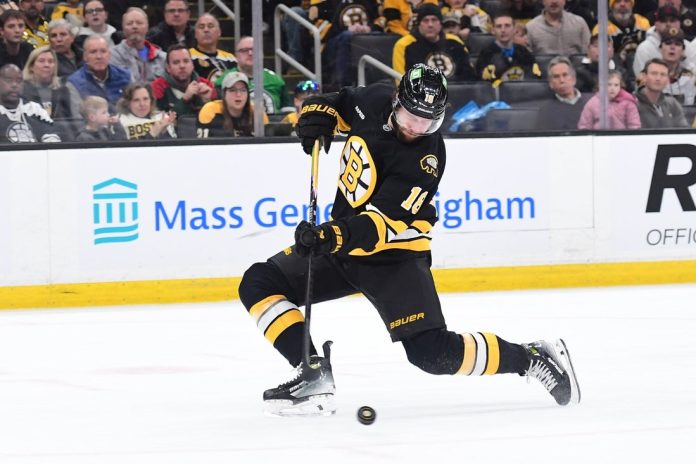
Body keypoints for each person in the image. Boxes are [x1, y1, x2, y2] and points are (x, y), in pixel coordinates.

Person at [237, 63, 581, 415]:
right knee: (259, 282)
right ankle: (312, 372)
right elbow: (337, 103)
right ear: (395, 101)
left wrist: (329, 235)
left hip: (393, 256)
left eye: (428, 122)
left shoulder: (425, 160)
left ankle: (531, 357)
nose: (417, 128)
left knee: (431, 354)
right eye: (411, 116)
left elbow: (378, 226)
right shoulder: (374, 99)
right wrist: (316, 113)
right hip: (342, 243)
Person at [392, 4, 476, 81]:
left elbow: (470, 77)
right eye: (425, 20)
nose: (430, 25)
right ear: (419, 24)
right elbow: (401, 81)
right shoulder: (404, 45)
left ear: (440, 23)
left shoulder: (454, 41)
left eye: (434, 20)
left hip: (458, 91)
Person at [216, 36, 291, 115]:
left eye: (255, 49)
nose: (250, 53)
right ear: (236, 55)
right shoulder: (223, 81)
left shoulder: (276, 80)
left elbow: (288, 113)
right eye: (244, 50)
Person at [66, 35, 132, 117]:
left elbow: (135, 107)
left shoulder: (125, 76)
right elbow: (78, 118)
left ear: (109, 55)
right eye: (93, 52)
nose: (99, 56)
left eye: (103, 51)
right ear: (85, 57)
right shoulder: (74, 83)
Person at [0, 63, 61, 142]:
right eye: (9, 80)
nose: (14, 85)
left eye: (19, 81)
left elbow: (52, 138)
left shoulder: (34, 109)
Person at [197, 71, 268, 138]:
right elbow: (202, 143)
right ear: (224, 94)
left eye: (243, 90)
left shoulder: (258, 113)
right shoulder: (210, 110)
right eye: (232, 90)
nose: (238, 94)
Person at [476, 12, 541, 82]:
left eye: (507, 26)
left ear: (514, 29)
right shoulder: (486, 53)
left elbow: (534, 78)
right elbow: (481, 81)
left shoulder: (524, 52)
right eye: (499, 26)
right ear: (493, 30)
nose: (503, 30)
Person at [151, 44, 215, 116]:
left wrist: (210, 100)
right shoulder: (158, 86)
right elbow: (158, 118)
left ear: (192, 65)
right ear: (168, 68)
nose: (182, 66)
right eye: (176, 62)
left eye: (186, 61)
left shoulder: (206, 84)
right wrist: (185, 99)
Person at [110, 7, 167, 83]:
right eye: (129, 23)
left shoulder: (162, 58)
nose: (134, 26)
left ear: (147, 27)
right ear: (123, 28)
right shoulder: (113, 55)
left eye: (139, 23)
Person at [592, 0, 649, 72]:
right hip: (614, 72)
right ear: (612, 6)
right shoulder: (601, 28)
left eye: (626, 1)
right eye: (618, 1)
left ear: (632, 5)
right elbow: (599, 57)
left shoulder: (643, 23)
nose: (622, 4)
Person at [536, 55, 591, 130]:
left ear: (574, 79)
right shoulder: (545, 111)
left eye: (565, 75)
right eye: (556, 76)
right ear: (551, 84)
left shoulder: (591, 101)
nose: (562, 80)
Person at [577, 69, 641, 129]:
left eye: (616, 85)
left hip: (622, 137)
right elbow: (584, 126)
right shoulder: (592, 103)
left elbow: (634, 125)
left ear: (620, 86)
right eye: (609, 84)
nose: (612, 88)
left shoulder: (628, 102)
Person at [635, 58, 689, 127]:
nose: (658, 78)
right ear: (644, 77)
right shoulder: (633, 103)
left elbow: (683, 131)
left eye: (663, 74)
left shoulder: (673, 104)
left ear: (668, 80)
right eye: (654, 73)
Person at [21, 45, 72, 119]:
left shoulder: (62, 90)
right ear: (31, 66)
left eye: (50, 61)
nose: (46, 65)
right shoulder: (22, 90)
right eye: (41, 61)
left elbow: (69, 120)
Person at [526, 0, 591, 56]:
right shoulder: (531, 27)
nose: (554, 1)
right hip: (543, 67)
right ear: (543, 1)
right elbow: (527, 59)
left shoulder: (579, 23)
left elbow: (589, 53)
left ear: (564, 1)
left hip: (576, 66)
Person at [189, 13, 236, 83]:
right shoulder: (188, 57)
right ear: (195, 34)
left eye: (210, 26)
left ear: (219, 32)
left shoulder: (230, 58)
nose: (206, 30)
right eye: (201, 27)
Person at [658, 27, 696, 104]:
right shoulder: (647, 75)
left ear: (683, 51)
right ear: (660, 49)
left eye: (677, 44)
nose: (672, 47)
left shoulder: (691, 78)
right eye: (668, 43)